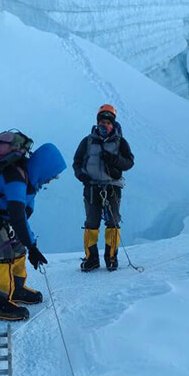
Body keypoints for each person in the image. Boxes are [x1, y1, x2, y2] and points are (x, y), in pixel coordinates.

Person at [0, 142, 66, 321]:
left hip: (2, 216)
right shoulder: (16, 177)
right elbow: (17, 216)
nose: (51, 179)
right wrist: (33, 247)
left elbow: (22, 217)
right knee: (5, 254)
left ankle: (16, 289)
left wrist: (31, 245)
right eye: (53, 175)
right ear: (44, 167)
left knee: (19, 248)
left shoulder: (31, 181)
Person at [72, 104, 135, 272]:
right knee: (91, 223)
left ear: (113, 124)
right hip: (91, 187)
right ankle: (91, 259)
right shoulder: (87, 141)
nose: (104, 125)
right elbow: (77, 162)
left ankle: (111, 258)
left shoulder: (120, 142)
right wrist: (81, 175)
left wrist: (114, 160)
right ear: (97, 122)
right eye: (102, 121)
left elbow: (129, 162)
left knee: (112, 222)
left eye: (108, 122)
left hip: (112, 187)